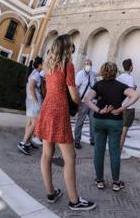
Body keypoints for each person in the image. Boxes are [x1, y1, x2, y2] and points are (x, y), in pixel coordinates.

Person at [34, 34, 96, 211]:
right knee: (70, 157)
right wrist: (81, 101)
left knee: (47, 154)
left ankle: (51, 192)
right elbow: (73, 94)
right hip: (59, 112)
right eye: (71, 47)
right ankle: (74, 200)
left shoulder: (48, 65)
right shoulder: (68, 65)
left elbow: (47, 87)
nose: (73, 49)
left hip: (46, 109)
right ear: (67, 48)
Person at [82, 62, 139, 192]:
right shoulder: (121, 86)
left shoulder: (98, 85)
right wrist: (122, 108)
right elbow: (136, 95)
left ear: (102, 71)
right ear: (115, 72)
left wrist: (98, 110)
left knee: (98, 151)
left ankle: (100, 181)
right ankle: (116, 183)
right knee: (114, 152)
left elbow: (86, 99)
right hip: (115, 121)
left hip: (99, 120)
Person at [18, 56, 44, 155]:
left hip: (30, 101)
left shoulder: (33, 72)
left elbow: (31, 86)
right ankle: (23, 143)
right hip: (34, 102)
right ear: (40, 65)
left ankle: (27, 142)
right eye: (43, 63)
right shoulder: (37, 74)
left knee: (29, 123)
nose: (44, 65)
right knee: (34, 124)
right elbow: (32, 86)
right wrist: (35, 100)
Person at [74, 59, 97, 149]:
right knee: (80, 122)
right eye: (87, 64)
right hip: (83, 102)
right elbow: (76, 88)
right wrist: (77, 101)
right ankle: (77, 140)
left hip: (92, 102)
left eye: (90, 64)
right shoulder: (80, 75)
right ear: (84, 65)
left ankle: (92, 140)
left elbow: (99, 73)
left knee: (93, 122)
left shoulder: (92, 73)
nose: (88, 66)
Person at [116, 58, 136, 160]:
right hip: (128, 107)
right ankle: (119, 151)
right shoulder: (129, 78)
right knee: (124, 130)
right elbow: (131, 94)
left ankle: (117, 148)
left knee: (119, 129)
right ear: (131, 67)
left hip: (120, 106)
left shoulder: (119, 77)